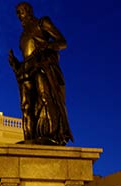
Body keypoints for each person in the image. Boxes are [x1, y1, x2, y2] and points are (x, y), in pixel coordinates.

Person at [9, 2, 73, 146]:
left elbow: (62, 42)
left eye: (21, 11)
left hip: (42, 65)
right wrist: (15, 63)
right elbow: (26, 56)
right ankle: (30, 138)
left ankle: (52, 134)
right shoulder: (22, 36)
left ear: (29, 11)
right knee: (26, 106)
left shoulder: (42, 22)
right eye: (17, 13)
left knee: (45, 97)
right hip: (26, 70)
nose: (19, 16)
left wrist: (48, 46)